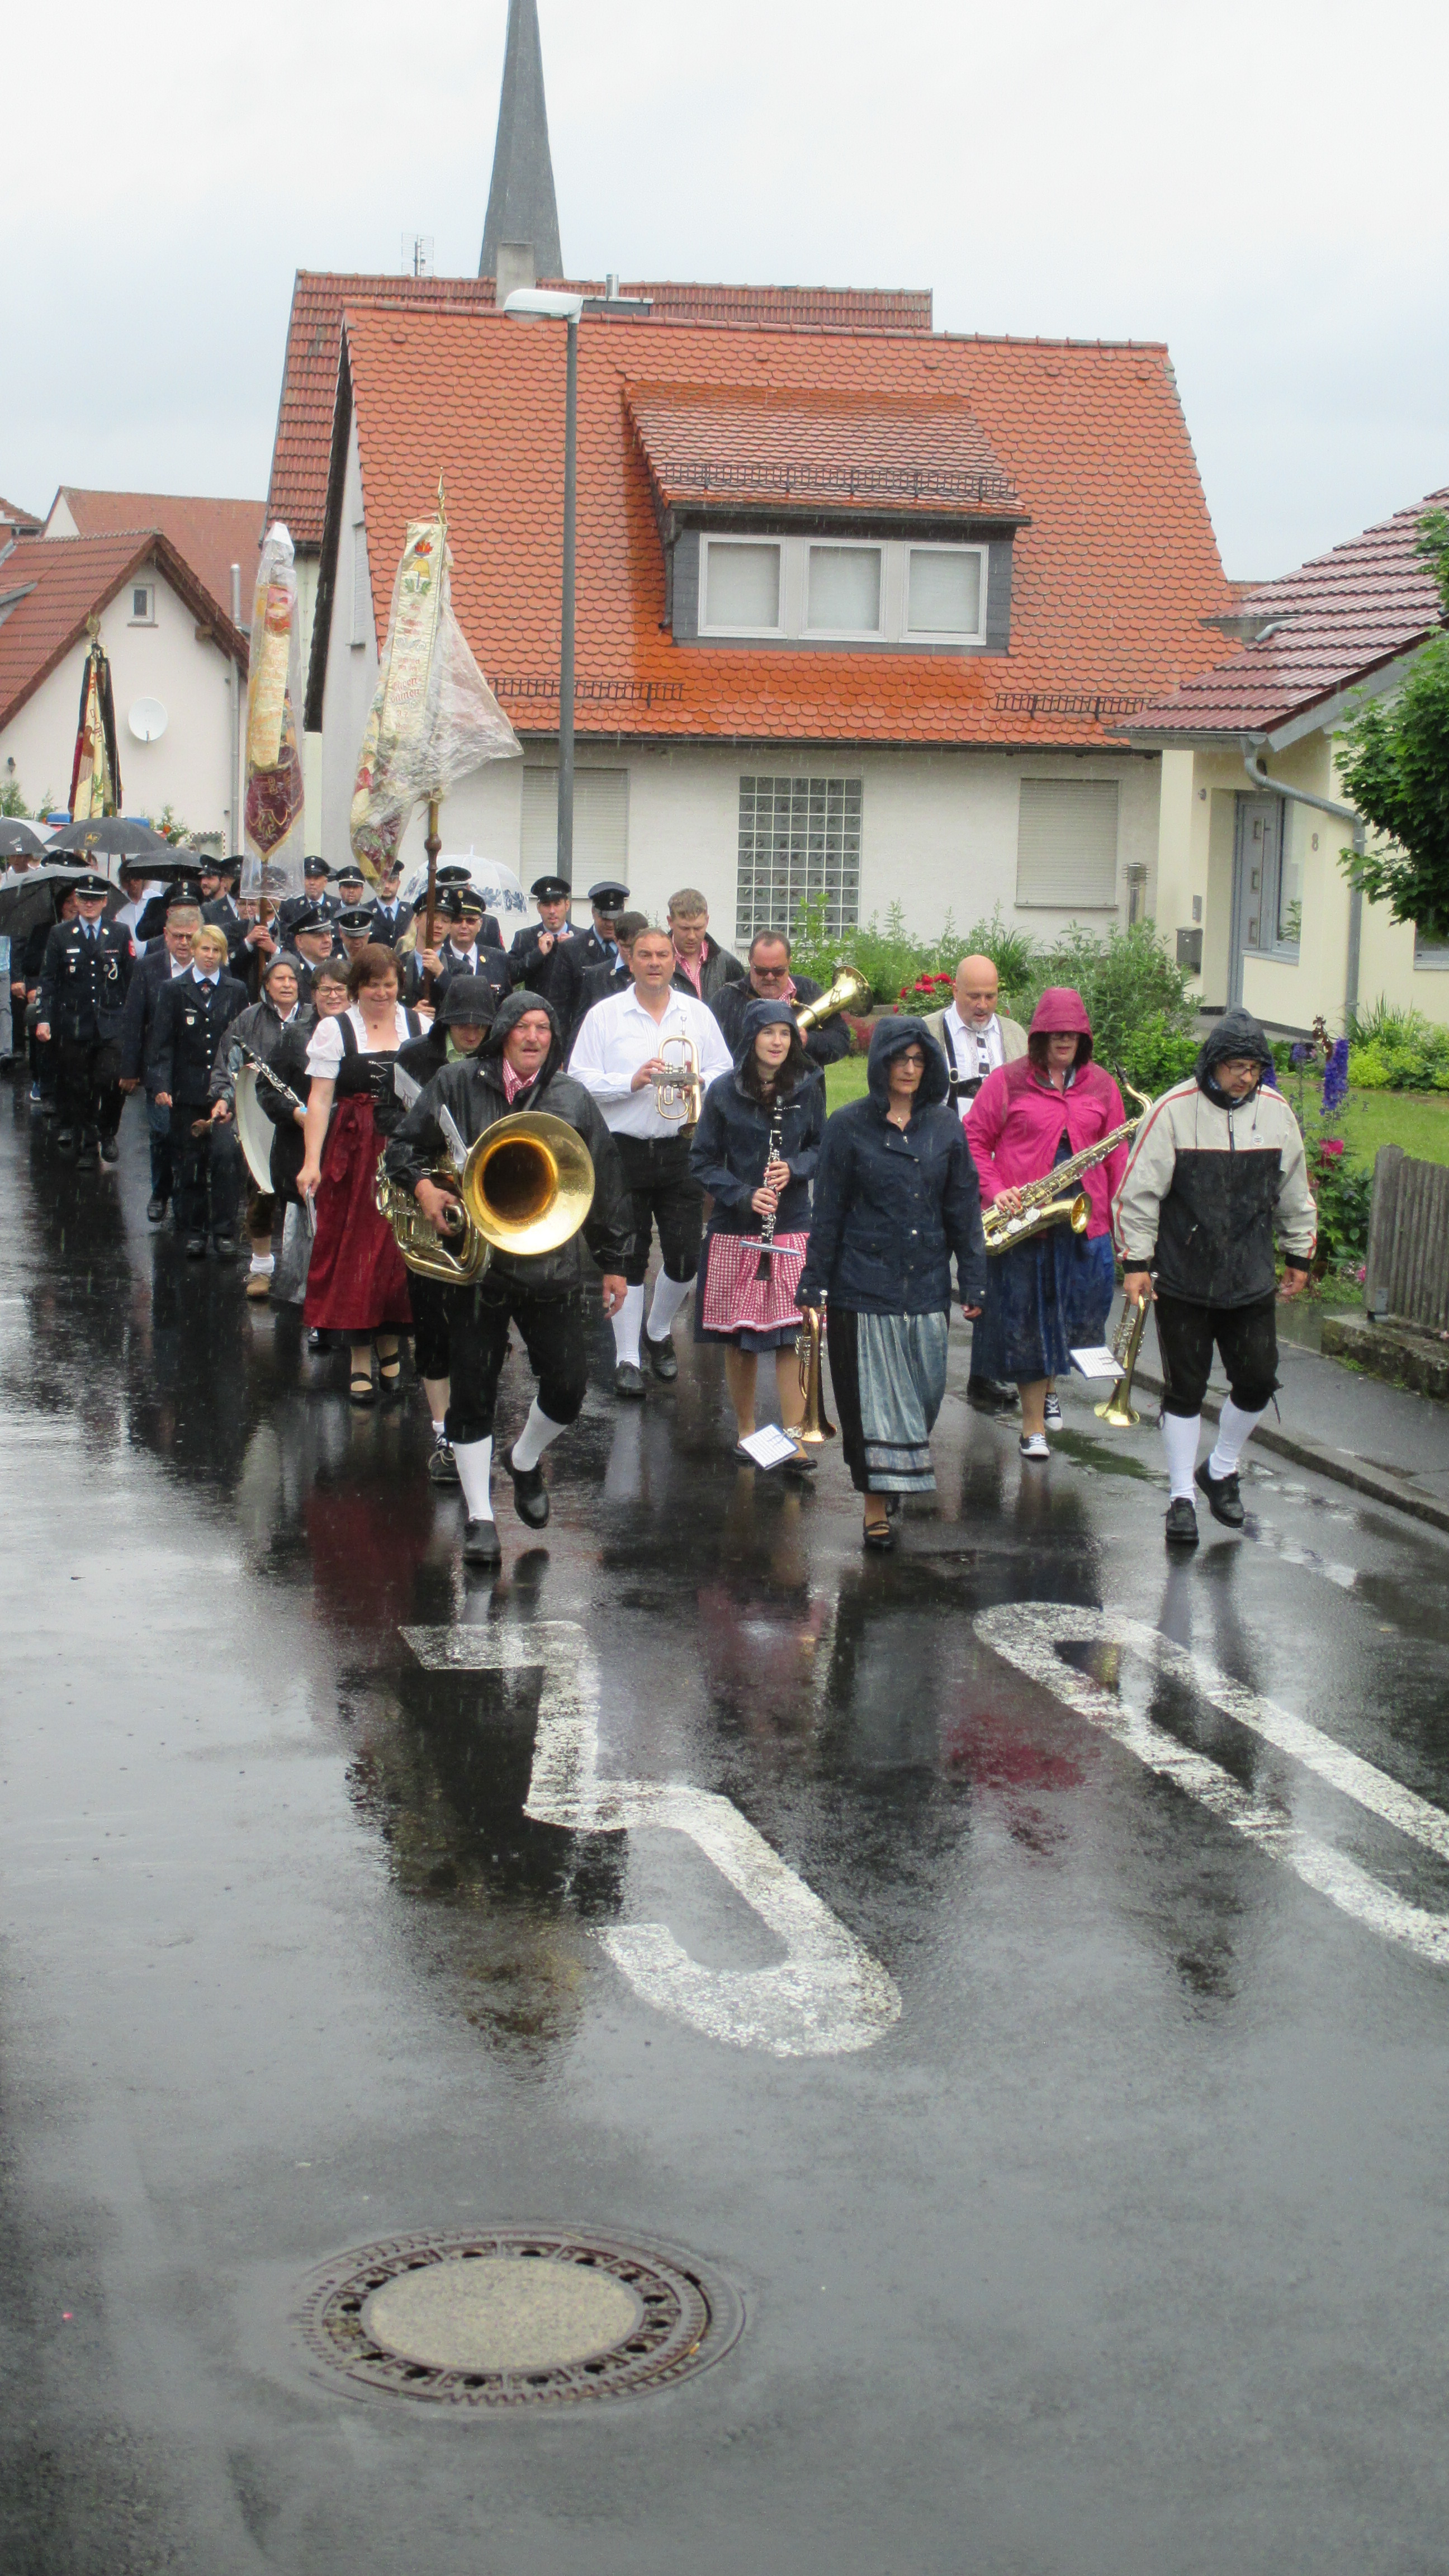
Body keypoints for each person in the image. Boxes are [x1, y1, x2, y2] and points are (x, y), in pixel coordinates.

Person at [383, 990, 631, 1565]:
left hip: (550, 1267)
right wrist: (424, 1188)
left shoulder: (571, 1097)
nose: (533, 1037)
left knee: (569, 1387)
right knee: (473, 1392)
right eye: (522, 1026)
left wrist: (618, 1261)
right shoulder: (455, 1082)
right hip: (476, 1269)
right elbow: (401, 1148)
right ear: (502, 1033)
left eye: (544, 1027)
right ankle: (479, 1518)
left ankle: (522, 1460)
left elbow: (604, 1181)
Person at [1113, 1007, 1317, 1549]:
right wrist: (1136, 1263)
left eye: (1253, 1067)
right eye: (1234, 1066)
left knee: (1257, 1380)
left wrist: (1300, 1252)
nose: (1244, 1077)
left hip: (1249, 1276)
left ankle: (1220, 1468)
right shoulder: (1173, 1112)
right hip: (1183, 1276)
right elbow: (1138, 1194)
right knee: (1186, 1388)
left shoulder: (1276, 1114)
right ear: (1212, 1064)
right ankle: (1181, 1496)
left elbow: (1296, 1190)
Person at [795, 1017, 986, 1550]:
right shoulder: (847, 1125)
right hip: (863, 1285)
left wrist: (973, 1281)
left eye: (918, 1061)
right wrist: (814, 1284)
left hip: (924, 1285)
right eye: (899, 1060)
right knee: (874, 1406)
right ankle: (875, 1509)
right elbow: (827, 1210)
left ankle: (897, 1471)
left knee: (922, 1401)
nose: (908, 1069)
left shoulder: (945, 1127)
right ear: (881, 1064)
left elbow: (964, 1207)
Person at [569, 924, 733, 1394]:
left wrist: (701, 1081)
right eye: (646, 955)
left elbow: (724, 1069)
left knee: (684, 1258)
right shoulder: (605, 1015)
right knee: (629, 1256)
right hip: (623, 1150)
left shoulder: (696, 1014)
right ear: (631, 959)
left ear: (673, 961)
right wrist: (631, 1081)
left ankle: (657, 1332)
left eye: (663, 954)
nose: (655, 962)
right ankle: (626, 1360)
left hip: (683, 1145)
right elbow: (578, 1079)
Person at [965, 989, 1129, 1461]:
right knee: (1028, 1321)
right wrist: (998, 1191)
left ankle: (1050, 1387)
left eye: (1073, 1033)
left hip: (1084, 1222)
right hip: (1028, 1220)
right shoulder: (1008, 1082)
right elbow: (974, 1140)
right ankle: (1032, 1425)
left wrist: (1123, 1226)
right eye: (1055, 1033)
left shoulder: (1101, 1086)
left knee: (1076, 1317)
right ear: (1039, 1036)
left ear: (1084, 1037)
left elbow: (1116, 1156)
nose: (1065, 1040)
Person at [689, 997, 824, 1469]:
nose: (777, 1041)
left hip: (790, 1225)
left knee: (792, 1334)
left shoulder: (810, 1084)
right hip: (736, 1228)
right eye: (768, 1033)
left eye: (785, 1033)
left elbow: (823, 1146)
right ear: (751, 1040)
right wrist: (744, 1195)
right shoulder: (724, 1090)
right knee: (740, 1335)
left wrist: (796, 1167)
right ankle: (747, 1430)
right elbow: (701, 1161)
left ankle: (793, 1434)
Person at [297, 944, 422, 1403]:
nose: (383, 993)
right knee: (355, 1253)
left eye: (390, 985)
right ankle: (360, 1358)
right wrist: (311, 1162)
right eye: (373, 985)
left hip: (404, 1148)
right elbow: (320, 1100)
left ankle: (391, 1343)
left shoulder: (418, 1025)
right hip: (355, 1151)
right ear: (357, 988)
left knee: (396, 1252)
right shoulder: (336, 1029)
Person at [394, 974, 497, 1484]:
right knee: (432, 1323)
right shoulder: (415, 1057)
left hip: (489, 1202)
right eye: (463, 1023)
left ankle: (475, 1425)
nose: (473, 1033)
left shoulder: (503, 1062)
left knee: (481, 1328)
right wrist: (423, 1180)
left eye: (482, 1024)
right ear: (446, 1021)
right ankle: (442, 1429)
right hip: (432, 1201)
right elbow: (391, 1128)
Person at [922, 954, 1029, 1405]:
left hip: (996, 1172)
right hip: (936, 1166)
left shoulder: (1015, 1034)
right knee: (930, 1270)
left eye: (990, 996)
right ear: (955, 992)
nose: (983, 1006)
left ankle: (986, 1375)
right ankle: (925, 1373)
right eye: (974, 996)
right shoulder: (927, 1031)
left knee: (992, 1273)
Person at [207, 951, 312, 1301]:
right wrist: (224, 1097)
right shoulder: (248, 1021)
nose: (286, 984)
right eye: (279, 978)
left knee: (307, 1196)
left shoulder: (316, 1021)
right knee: (262, 1190)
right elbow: (229, 1063)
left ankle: (308, 1270)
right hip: (262, 1117)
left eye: (292, 979)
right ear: (266, 984)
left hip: (309, 1118)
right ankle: (262, 1267)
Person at [148, 925, 248, 1257]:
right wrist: (161, 1085)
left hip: (225, 1093)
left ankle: (224, 1230)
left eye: (216, 951)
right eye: (204, 949)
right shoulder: (173, 989)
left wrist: (236, 1089)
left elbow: (241, 1042)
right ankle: (194, 1230)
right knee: (189, 1161)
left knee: (225, 1160)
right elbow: (161, 1044)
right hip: (186, 1091)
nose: (210, 956)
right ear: (193, 950)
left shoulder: (236, 990)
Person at [265, 959, 348, 1314]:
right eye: (325, 990)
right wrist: (297, 1113)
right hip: (301, 1151)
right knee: (304, 1238)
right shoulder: (295, 1036)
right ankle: (308, 1308)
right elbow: (266, 1090)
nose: (333, 996)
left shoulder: (361, 1035)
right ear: (313, 995)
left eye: (340, 990)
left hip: (348, 1150)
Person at [35, 872, 136, 1162]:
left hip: (111, 1021)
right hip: (75, 1023)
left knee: (111, 1080)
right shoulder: (61, 934)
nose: (88, 904)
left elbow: (130, 980)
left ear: (105, 902)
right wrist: (44, 1018)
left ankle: (108, 1130)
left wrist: (134, 1022)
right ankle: (89, 1144)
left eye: (95, 899)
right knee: (79, 1085)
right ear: (76, 901)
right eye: (83, 898)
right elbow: (49, 981)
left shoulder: (118, 933)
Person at [119, 896, 203, 1218]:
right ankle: (160, 1192)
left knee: (194, 1134)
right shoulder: (147, 968)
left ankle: (189, 1195)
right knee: (163, 1132)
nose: (184, 943)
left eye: (190, 936)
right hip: (159, 1067)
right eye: (177, 936)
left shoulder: (211, 966)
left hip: (198, 1065)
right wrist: (130, 1069)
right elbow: (133, 1020)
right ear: (166, 935)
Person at [708, 929, 851, 1071]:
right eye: (762, 971)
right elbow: (709, 1054)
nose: (770, 977)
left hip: (803, 1091)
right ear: (750, 962)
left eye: (778, 971)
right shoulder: (725, 999)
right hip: (742, 1090)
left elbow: (842, 1040)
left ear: (789, 962)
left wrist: (809, 1041)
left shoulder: (808, 990)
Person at [404, 891, 511, 1011]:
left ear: (449, 927)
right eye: (433, 918)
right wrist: (411, 1015)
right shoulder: (399, 963)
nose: (439, 925)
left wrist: (442, 974)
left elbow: (467, 1006)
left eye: (445, 921)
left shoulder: (462, 969)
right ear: (417, 921)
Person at [509, 872, 586, 1023]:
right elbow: (511, 975)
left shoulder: (583, 938)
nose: (552, 911)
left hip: (572, 1021)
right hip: (537, 1019)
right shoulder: (525, 937)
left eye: (557, 904)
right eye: (546, 905)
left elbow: (593, 979)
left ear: (567, 905)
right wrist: (538, 954)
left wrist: (575, 951)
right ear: (538, 907)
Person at [667, 888, 743, 1002]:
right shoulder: (656, 963)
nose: (692, 936)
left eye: (698, 928)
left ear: (707, 921)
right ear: (670, 922)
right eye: (685, 929)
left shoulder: (728, 964)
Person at [368, 858, 414, 948]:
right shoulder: (366, 912)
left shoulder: (411, 912)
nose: (387, 886)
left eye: (392, 881)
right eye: (382, 881)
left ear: (399, 883)